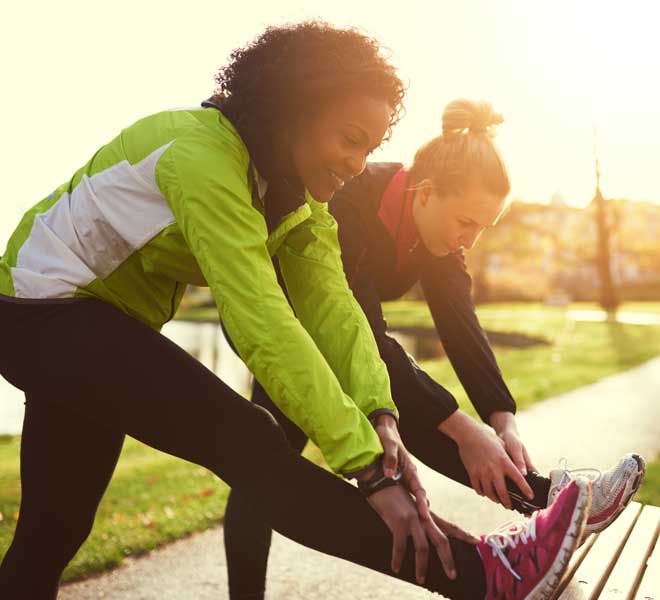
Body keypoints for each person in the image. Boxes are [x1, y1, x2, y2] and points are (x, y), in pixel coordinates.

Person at [0, 22, 591, 600]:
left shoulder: (295, 198)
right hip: (40, 312)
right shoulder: (204, 160)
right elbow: (262, 321)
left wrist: (381, 417)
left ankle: (489, 567)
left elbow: (335, 313)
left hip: (90, 324)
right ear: (293, 110)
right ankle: (483, 575)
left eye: (371, 147)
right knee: (246, 438)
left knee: (52, 533)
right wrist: (370, 467)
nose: (360, 163)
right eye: (350, 138)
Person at [221, 99, 646, 599]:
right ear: (424, 194)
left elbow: (460, 324)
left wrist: (500, 417)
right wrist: (461, 426)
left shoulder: (438, 239)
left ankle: (546, 500)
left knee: (394, 416)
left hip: (347, 337)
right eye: (466, 222)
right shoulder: (353, 200)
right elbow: (360, 333)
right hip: (286, 329)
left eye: (483, 228)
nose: (471, 239)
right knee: (267, 466)